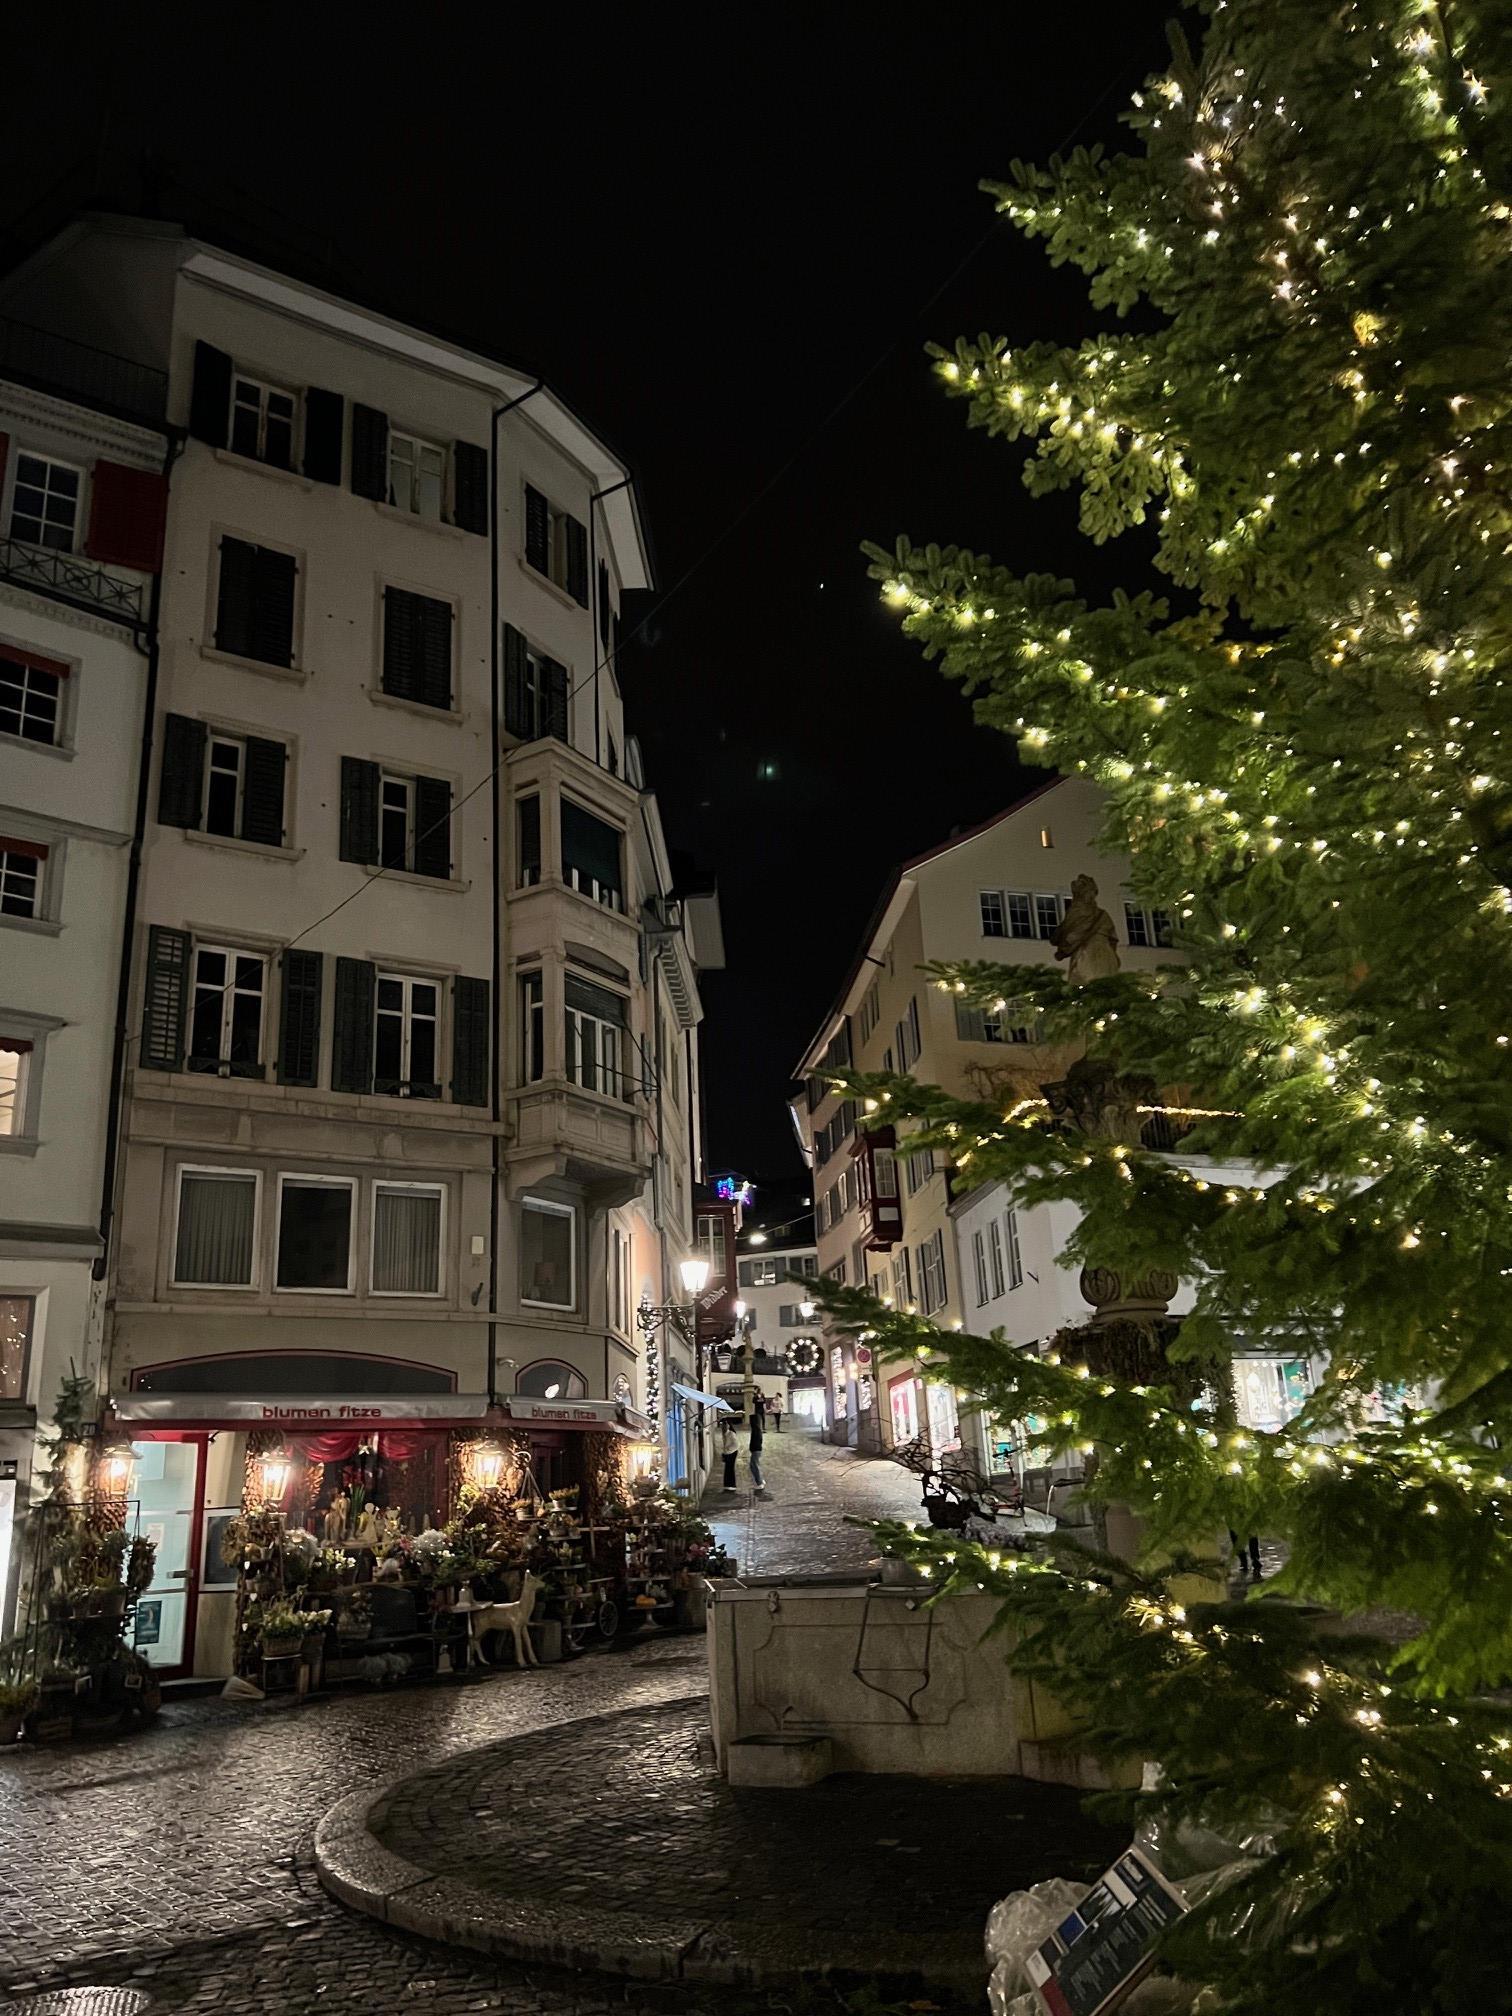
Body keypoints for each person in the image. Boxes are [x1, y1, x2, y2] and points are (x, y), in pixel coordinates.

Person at [748, 1395, 770, 1499]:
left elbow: (756, 1441)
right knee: (755, 1465)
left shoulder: (756, 1431)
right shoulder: (757, 1430)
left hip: (756, 1449)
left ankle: (760, 1482)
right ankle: (761, 1480)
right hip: (756, 1449)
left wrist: (753, 1448)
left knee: (754, 1465)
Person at [720, 1419, 739, 1493]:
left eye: (726, 1424)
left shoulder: (731, 1433)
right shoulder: (724, 1434)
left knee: (730, 1468)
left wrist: (728, 1449)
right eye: (723, 1424)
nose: (724, 1426)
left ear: (729, 1425)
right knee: (727, 1469)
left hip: (732, 1452)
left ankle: (732, 1485)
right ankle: (727, 1485)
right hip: (727, 1453)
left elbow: (736, 1444)